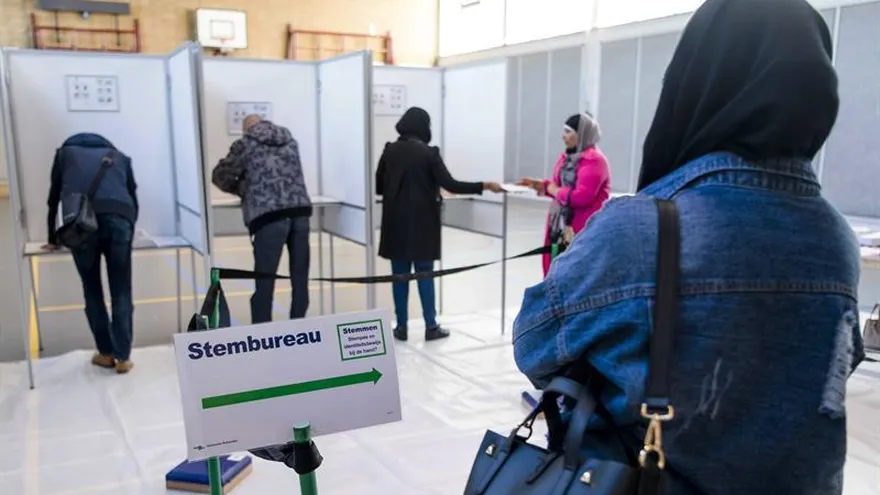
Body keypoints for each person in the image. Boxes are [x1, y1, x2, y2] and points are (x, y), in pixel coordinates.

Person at [512, 0, 865, 493]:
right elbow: (834, 371)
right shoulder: (836, 240)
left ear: (695, 84)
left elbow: (534, 346)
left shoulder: (642, 230)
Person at [376, 107, 503, 342]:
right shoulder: (429, 154)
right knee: (425, 275)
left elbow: (378, 187)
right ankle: (430, 326)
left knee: (399, 276)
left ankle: (401, 327)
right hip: (423, 226)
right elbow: (451, 185)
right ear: (423, 127)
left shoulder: (389, 151)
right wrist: (484, 185)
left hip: (395, 226)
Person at [44, 133, 138, 374]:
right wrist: (129, 229)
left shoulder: (65, 155)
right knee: (122, 290)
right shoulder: (120, 157)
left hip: (81, 225)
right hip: (120, 222)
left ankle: (105, 353)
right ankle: (123, 357)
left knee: (92, 288)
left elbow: (54, 197)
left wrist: (53, 238)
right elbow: (133, 198)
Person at [212, 115, 312, 324]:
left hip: (268, 218)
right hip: (300, 214)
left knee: (265, 282)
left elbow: (220, 175)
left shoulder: (245, 144)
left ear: (246, 129)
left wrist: (242, 188)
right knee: (300, 279)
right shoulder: (290, 141)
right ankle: (300, 331)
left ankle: (263, 336)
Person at [518, 112, 610, 277]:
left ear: (581, 135)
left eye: (568, 132)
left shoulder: (595, 160)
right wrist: (541, 185)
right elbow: (558, 187)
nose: (563, 136)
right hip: (558, 227)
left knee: (575, 275)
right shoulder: (567, 157)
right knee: (553, 272)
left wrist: (553, 189)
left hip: (580, 230)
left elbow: (581, 196)